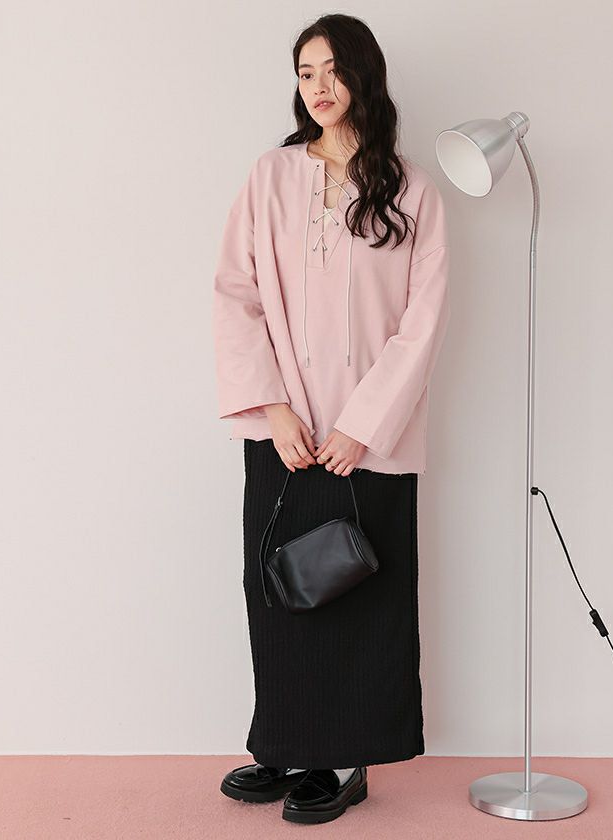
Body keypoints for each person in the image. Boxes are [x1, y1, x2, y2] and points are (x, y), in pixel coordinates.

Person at [212, 13, 451, 825]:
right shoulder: (270, 176)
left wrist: (363, 424)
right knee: (280, 590)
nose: (317, 86)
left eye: (332, 69)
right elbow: (236, 297)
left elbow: (423, 321)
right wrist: (274, 407)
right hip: (284, 433)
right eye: (305, 71)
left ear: (363, 75)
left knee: (360, 595)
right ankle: (286, 745)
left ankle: (345, 758)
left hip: (370, 441)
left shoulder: (413, 189)